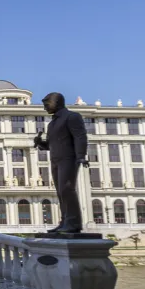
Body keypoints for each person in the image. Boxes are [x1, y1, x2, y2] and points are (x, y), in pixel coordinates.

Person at [34, 92, 88, 233]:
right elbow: (50, 145)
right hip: (55, 160)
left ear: (56, 102)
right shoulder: (52, 124)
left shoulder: (72, 117)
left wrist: (81, 156)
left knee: (67, 190)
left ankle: (73, 223)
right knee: (60, 192)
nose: (45, 108)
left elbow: (80, 137)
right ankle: (65, 221)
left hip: (68, 158)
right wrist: (40, 143)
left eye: (47, 104)